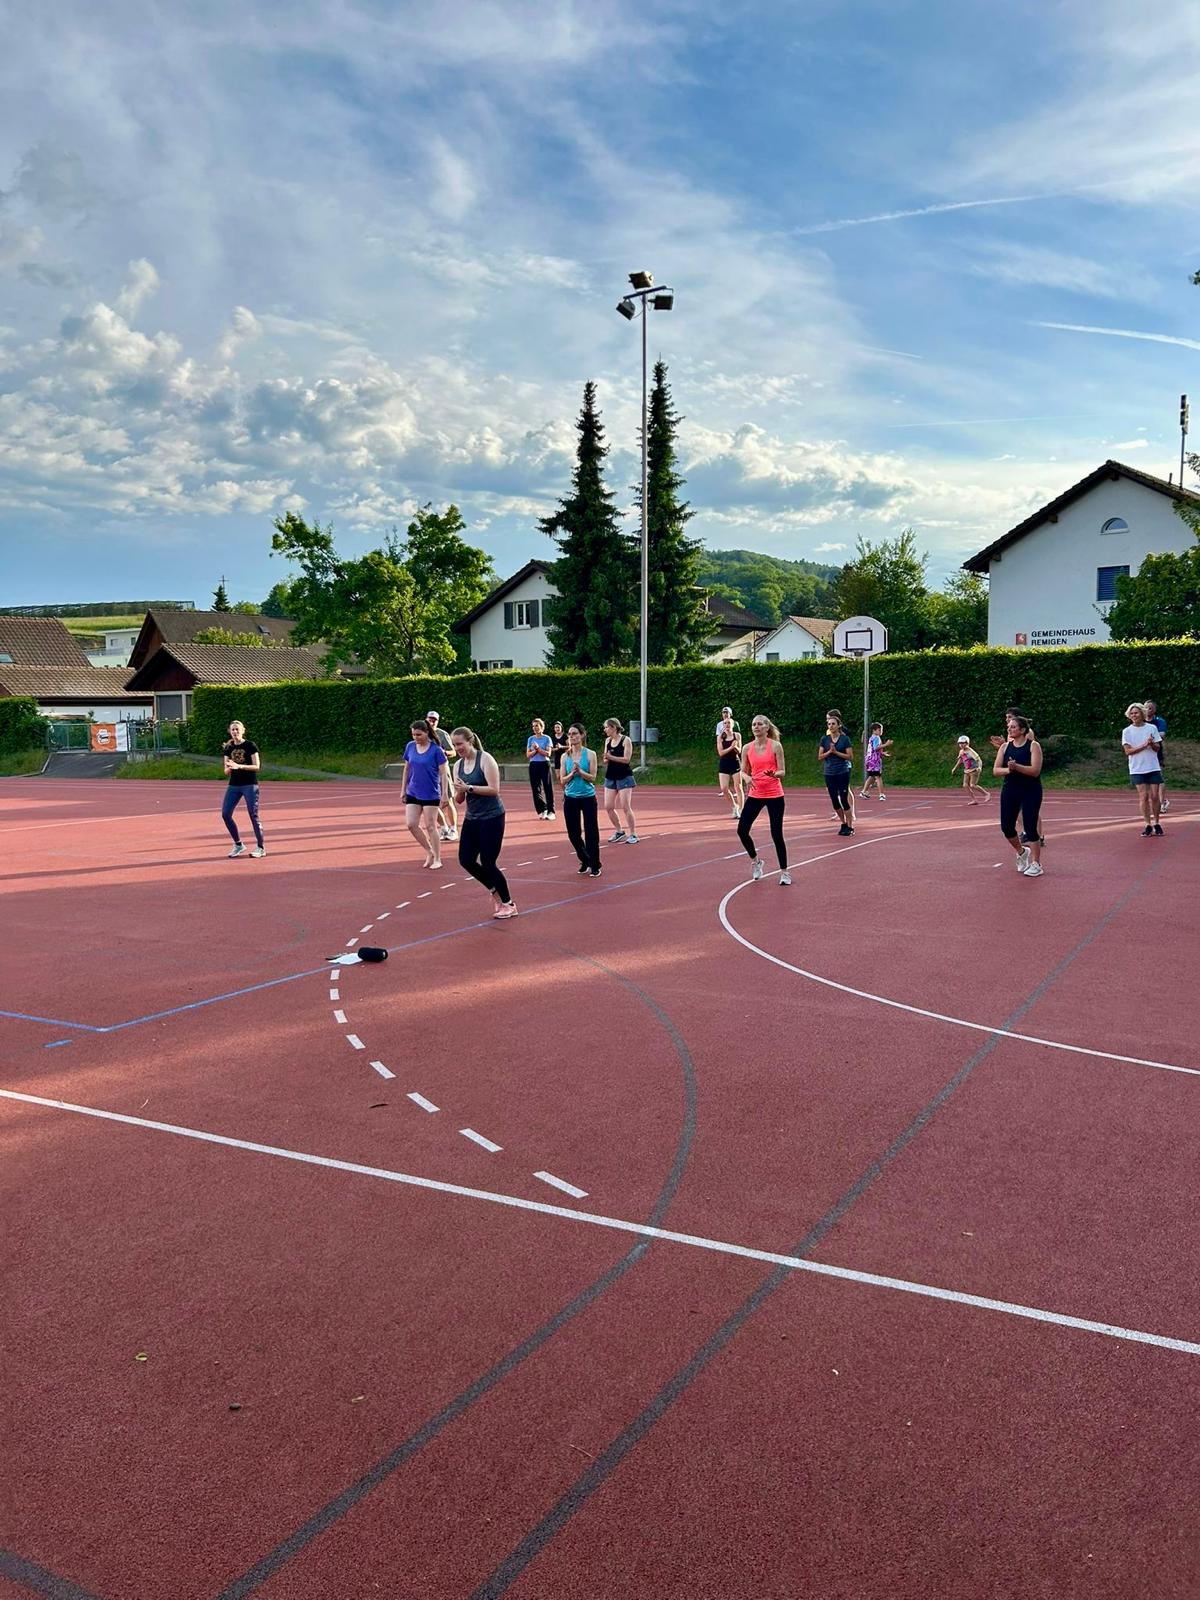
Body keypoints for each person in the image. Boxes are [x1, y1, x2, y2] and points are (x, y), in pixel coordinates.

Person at [451, 727, 517, 918]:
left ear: (470, 741)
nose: (457, 748)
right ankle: (494, 890)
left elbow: (494, 789)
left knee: (488, 862)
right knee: (466, 860)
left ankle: (509, 904)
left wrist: (469, 787)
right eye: (454, 745)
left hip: (492, 817)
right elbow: (459, 799)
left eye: (460, 744)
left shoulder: (485, 759)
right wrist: (460, 791)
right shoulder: (458, 766)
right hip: (472, 818)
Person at [737, 715, 790, 883]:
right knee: (742, 830)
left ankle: (784, 872)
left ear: (767, 727)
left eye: (760, 724)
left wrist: (775, 774)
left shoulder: (775, 746)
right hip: (756, 794)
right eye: (754, 724)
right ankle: (756, 862)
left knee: (776, 834)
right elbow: (743, 771)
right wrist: (746, 777)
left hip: (774, 794)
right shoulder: (747, 748)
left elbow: (782, 771)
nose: (756, 727)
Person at [994, 713, 1045, 876]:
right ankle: (1022, 852)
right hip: (1010, 789)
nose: (1009, 729)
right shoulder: (1004, 747)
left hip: (1030, 790)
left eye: (1013, 727)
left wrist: (1017, 767)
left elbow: (1035, 771)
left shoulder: (1033, 746)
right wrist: (1009, 770)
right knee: (1006, 827)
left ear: (1022, 730)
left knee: (1030, 826)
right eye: (1008, 726)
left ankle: (1036, 863)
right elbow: (996, 770)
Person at [399, 718, 449, 869]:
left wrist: (445, 794)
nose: (416, 737)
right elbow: (407, 769)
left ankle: (438, 858)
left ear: (427, 733)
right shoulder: (410, 747)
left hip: (430, 793)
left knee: (431, 826)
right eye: (413, 735)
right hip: (413, 791)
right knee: (411, 824)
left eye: (419, 735)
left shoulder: (436, 750)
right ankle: (429, 850)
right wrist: (403, 789)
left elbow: (443, 773)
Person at [221, 719, 265, 858]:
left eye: (237, 729)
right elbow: (225, 770)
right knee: (225, 814)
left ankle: (260, 847)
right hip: (234, 785)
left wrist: (239, 766)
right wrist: (229, 767)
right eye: (232, 729)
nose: (235, 732)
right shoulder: (228, 748)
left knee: (253, 815)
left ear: (243, 730)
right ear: (230, 732)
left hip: (249, 784)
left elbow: (257, 766)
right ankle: (238, 844)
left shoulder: (250, 745)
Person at [561, 723, 601, 876]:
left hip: (588, 798)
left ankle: (595, 864)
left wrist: (581, 771)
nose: (571, 736)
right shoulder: (565, 756)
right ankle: (585, 859)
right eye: (570, 734)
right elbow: (562, 780)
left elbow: (593, 777)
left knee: (591, 832)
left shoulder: (590, 754)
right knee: (573, 834)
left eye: (575, 733)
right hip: (570, 798)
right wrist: (572, 774)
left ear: (582, 735)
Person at [1121, 702, 1163, 837]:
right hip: (1137, 768)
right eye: (1132, 713)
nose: (1134, 715)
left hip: (1152, 766)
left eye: (1136, 713)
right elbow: (1128, 751)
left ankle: (1157, 823)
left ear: (1142, 713)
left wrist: (1152, 744)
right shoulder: (1127, 731)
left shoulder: (1152, 728)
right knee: (1143, 797)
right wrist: (1144, 746)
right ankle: (1147, 824)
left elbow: (1157, 748)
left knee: (1155, 796)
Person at [602, 717, 639, 843]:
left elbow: (626, 759)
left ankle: (633, 834)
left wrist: (611, 757)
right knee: (608, 806)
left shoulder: (625, 740)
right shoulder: (607, 741)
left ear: (613, 727)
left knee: (625, 806)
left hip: (624, 776)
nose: (605, 730)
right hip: (610, 776)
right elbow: (606, 758)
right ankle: (619, 831)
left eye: (606, 727)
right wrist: (606, 758)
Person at [819, 714, 855, 836]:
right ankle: (843, 822)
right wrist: (830, 751)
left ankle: (850, 825)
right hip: (829, 772)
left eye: (833, 724)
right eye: (829, 724)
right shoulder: (824, 739)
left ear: (838, 725)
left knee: (844, 799)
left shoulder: (845, 739)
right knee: (834, 800)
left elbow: (850, 756)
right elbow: (820, 756)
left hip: (842, 771)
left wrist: (836, 752)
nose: (831, 726)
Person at [425, 711, 459, 842]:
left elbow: (453, 752)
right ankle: (444, 828)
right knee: (430, 802)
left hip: (442, 770)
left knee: (448, 800)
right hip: (428, 773)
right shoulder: (422, 733)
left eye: (434, 720)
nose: (432, 722)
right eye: (430, 719)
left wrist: (443, 752)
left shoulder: (442, 734)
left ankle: (453, 829)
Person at [716, 710, 743, 817]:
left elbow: (739, 751)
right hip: (724, 763)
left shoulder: (737, 735)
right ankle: (734, 806)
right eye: (725, 723)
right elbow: (721, 753)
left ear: (732, 725)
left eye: (729, 723)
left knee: (738, 786)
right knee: (724, 788)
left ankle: (741, 809)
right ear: (723, 725)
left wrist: (735, 747)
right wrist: (731, 747)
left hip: (735, 762)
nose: (727, 725)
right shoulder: (720, 737)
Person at [526, 717, 555, 820]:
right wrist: (535, 751)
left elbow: (548, 754)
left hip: (544, 764)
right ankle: (542, 809)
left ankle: (551, 811)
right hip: (534, 765)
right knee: (535, 789)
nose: (535, 728)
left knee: (548, 787)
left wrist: (538, 748)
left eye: (537, 726)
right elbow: (528, 755)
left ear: (542, 727)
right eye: (533, 726)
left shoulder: (547, 738)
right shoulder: (530, 739)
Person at [1144, 699, 1168, 811]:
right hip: (1142, 752)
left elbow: (1162, 735)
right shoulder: (1140, 720)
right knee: (1146, 778)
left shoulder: (1159, 721)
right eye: (1146, 707)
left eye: (1150, 708)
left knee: (1159, 776)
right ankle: (1150, 800)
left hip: (1156, 751)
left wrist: (1150, 739)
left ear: (1154, 710)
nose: (1148, 709)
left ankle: (1162, 802)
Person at [951, 736, 990, 804]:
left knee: (972, 785)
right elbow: (960, 760)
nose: (961, 745)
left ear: (967, 743)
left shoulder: (971, 752)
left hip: (974, 770)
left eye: (963, 743)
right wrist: (954, 768)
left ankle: (986, 794)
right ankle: (974, 800)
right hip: (967, 771)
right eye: (960, 743)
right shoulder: (961, 751)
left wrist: (979, 767)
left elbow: (979, 760)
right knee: (965, 785)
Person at [860, 722, 891, 800]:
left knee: (872, 776)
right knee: (878, 777)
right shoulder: (876, 738)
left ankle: (863, 791)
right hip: (874, 760)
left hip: (870, 759)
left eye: (881, 730)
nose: (881, 731)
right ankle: (881, 794)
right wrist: (886, 744)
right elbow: (876, 747)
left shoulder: (872, 738)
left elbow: (874, 749)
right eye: (879, 730)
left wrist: (883, 753)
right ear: (874, 730)